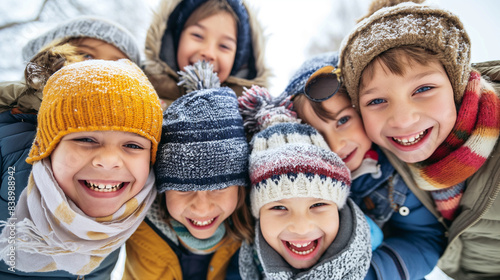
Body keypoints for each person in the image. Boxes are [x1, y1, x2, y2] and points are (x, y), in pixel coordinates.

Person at [338, 1, 500, 279]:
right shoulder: (380, 159)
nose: (402, 119)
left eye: (423, 89)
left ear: (457, 87)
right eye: (376, 100)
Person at [277, 51, 446, 279]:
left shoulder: (396, 173)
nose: (336, 145)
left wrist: (372, 273)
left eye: (343, 120)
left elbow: (424, 239)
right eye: (316, 135)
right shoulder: (303, 185)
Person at [0, 59, 163, 279]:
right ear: (48, 147)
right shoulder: (9, 169)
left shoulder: (146, 202)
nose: (108, 160)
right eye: (86, 139)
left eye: (132, 145)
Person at [0, 15, 143, 226]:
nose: (102, 67)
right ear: (51, 57)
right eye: (87, 55)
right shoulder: (12, 126)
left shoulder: (135, 146)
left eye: (118, 64)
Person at [123, 63, 253, 279]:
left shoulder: (252, 234)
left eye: (218, 187)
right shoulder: (135, 225)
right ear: (164, 189)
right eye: (183, 189)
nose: (202, 208)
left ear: (240, 188)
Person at [237, 88, 371, 279]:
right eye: (279, 207)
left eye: (318, 204)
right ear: (257, 213)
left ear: (338, 207)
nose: (301, 227)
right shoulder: (243, 263)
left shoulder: (373, 254)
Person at [142, 0, 270, 109]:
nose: (209, 53)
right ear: (173, 41)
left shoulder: (248, 115)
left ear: (239, 60)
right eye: (197, 35)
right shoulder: (141, 93)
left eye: (224, 46)